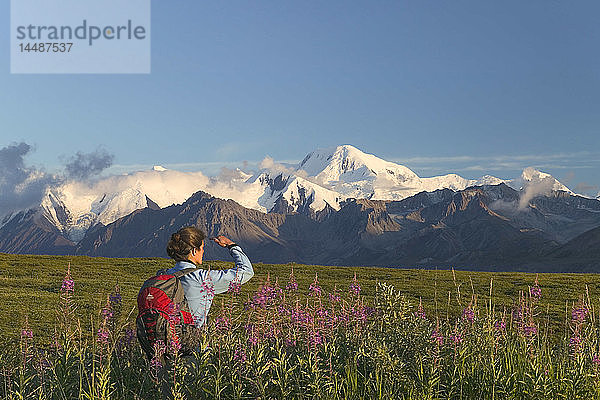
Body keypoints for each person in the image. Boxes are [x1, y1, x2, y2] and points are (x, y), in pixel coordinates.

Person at [165, 226, 254, 328]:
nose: (203, 252)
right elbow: (246, 271)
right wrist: (231, 245)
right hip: (189, 339)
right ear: (194, 251)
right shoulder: (202, 278)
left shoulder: (164, 275)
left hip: (162, 338)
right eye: (202, 248)